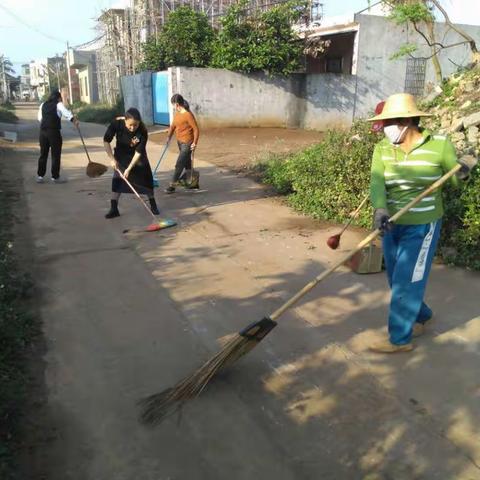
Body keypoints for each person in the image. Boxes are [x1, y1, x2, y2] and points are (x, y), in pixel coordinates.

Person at [368, 93, 477, 354]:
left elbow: (453, 179)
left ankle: (399, 339)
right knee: (396, 279)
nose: (384, 129)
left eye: (388, 123)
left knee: (407, 281)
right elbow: (377, 182)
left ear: (406, 121)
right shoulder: (383, 148)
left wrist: (463, 170)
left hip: (423, 225)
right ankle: (422, 314)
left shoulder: (439, 145)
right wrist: (380, 209)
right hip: (392, 223)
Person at [103, 108, 159, 219]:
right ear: (125, 120)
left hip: (138, 158)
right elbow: (106, 140)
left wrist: (129, 169)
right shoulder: (117, 124)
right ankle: (114, 209)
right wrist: (112, 159)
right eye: (130, 125)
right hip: (121, 156)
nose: (133, 128)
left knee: (146, 180)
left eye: (136, 125)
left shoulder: (142, 131)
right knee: (117, 181)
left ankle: (153, 205)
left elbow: (138, 152)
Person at [37, 90, 79, 183]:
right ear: (58, 98)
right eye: (60, 98)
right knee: (55, 154)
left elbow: (40, 118)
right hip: (54, 132)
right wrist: (74, 120)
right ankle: (55, 177)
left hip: (43, 132)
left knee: (43, 154)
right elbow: (66, 113)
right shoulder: (58, 104)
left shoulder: (43, 104)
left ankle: (40, 176)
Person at [164, 93, 200, 194]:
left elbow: (196, 129)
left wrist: (194, 143)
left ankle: (172, 186)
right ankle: (194, 183)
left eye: (173, 105)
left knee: (179, 165)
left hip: (187, 144)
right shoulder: (178, 114)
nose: (173, 107)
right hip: (180, 142)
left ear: (177, 104)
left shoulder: (188, 115)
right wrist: (168, 137)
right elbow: (172, 126)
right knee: (187, 164)